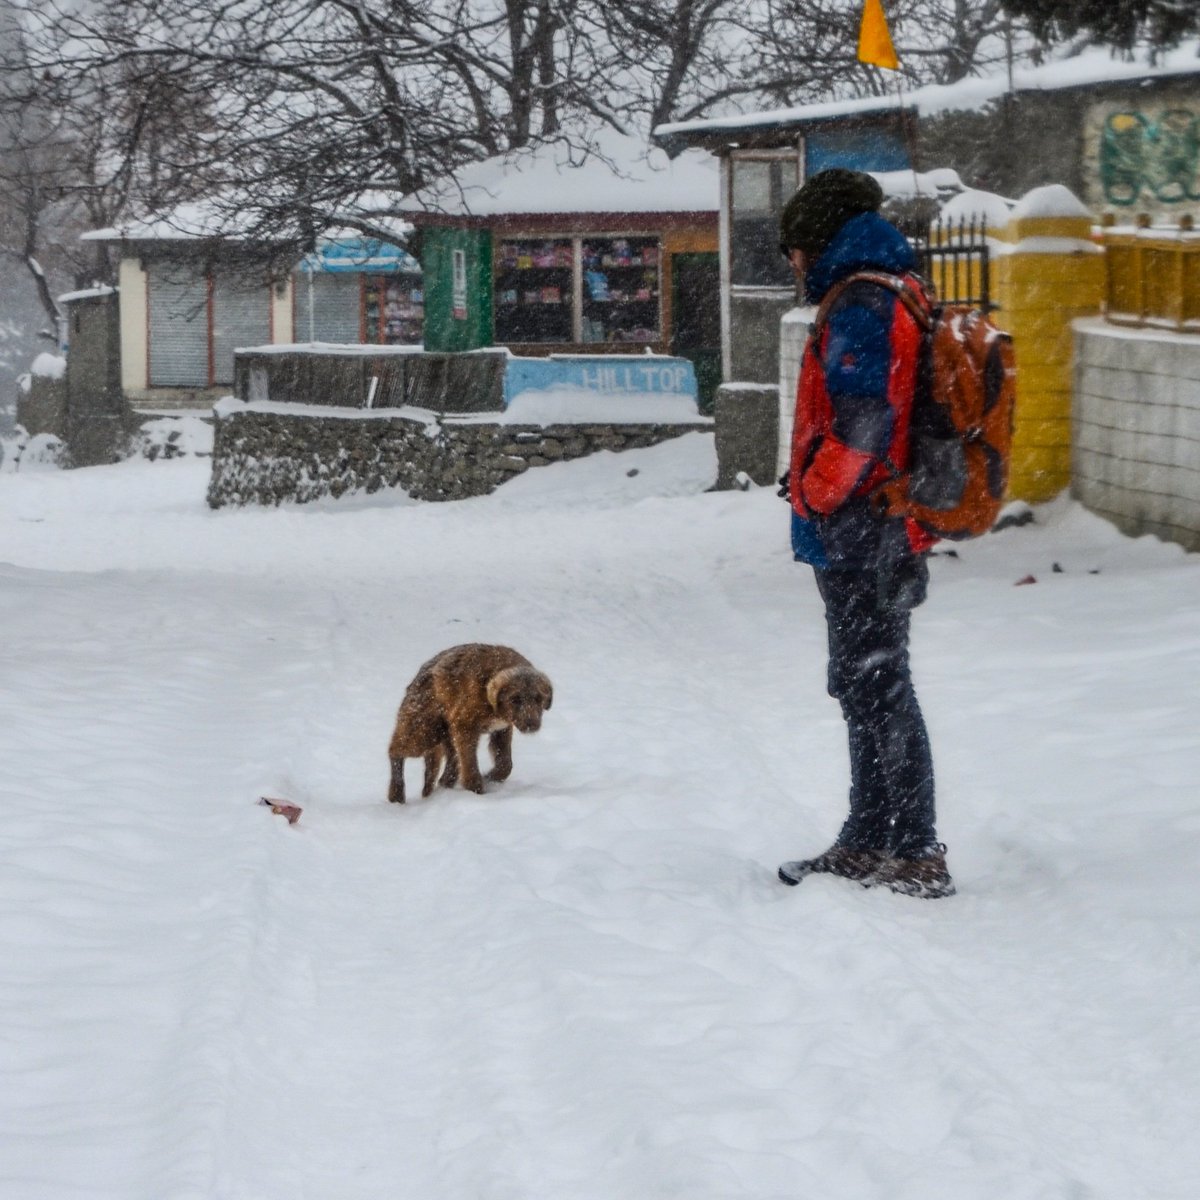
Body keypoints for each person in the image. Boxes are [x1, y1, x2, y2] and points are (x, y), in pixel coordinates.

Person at [774, 168, 954, 900]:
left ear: (818, 240)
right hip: (881, 521)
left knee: (878, 684)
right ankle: (869, 838)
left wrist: (816, 495)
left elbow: (863, 421)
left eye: (794, 249)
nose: (792, 264)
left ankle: (914, 850)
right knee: (863, 682)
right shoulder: (892, 289)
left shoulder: (862, 302)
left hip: (865, 526)